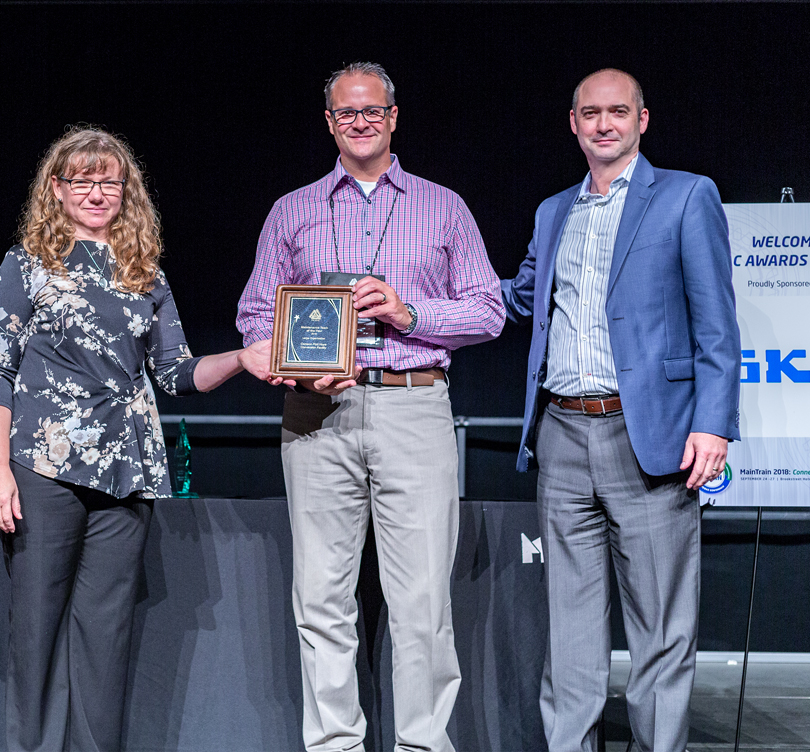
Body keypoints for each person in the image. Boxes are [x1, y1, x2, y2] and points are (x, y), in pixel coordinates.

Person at [0, 126, 274, 752]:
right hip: (44, 468)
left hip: (126, 472)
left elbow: (177, 372)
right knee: (35, 631)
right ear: (55, 190)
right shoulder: (26, 265)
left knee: (106, 637)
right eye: (80, 180)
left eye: (108, 180)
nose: (95, 191)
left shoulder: (145, 273)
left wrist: (244, 359)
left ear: (126, 191)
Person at [237, 62, 504, 752]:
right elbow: (256, 315)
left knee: (421, 603)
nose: (360, 122)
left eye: (372, 110)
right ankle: (333, 745)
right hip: (315, 415)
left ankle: (422, 744)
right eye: (346, 112)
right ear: (329, 122)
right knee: (321, 598)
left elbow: (487, 311)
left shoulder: (443, 207)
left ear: (394, 117)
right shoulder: (291, 210)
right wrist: (287, 368)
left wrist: (409, 311)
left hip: (412, 407)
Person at [502, 69, 741, 752]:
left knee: (660, 628)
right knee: (569, 629)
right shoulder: (555, 211)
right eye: (590, 113)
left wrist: (714, 423)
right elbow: (520, 300)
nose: (603, 124)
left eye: (617, 112)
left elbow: (716, 325)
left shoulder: (687, 196)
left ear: (642, 120)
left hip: (652, 435)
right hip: (562, 433)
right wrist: (425, 302)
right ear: (572, 123)